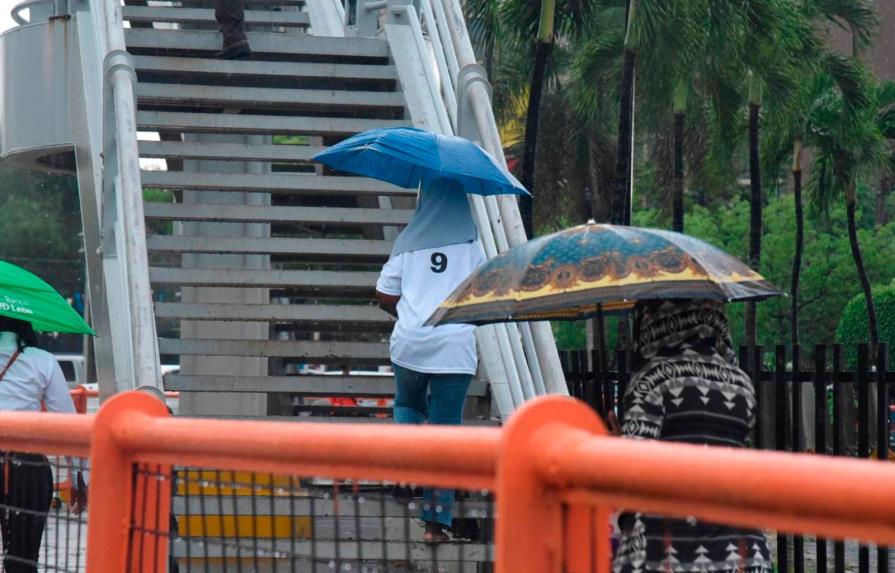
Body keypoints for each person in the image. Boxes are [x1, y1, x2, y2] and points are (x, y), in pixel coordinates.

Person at [613, 300, 772, 573]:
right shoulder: (741, 383)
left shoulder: (652, 379)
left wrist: (616, 444)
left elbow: (635, 476)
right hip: (742, 551)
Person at [375, 178, 486, 543]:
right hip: (455, 347)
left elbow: (384, 293)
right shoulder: (473, 247)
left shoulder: (408, 242)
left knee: (407, 404)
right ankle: (436, 525)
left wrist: (408, 314)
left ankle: (406, 475)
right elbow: (484, 294)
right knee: (445, 431)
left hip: (411, 343)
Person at [0, 317, 88, 573]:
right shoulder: (42, 361)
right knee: (22, 559)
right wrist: (77, 477)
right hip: (27, 469)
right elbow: (68, 424)